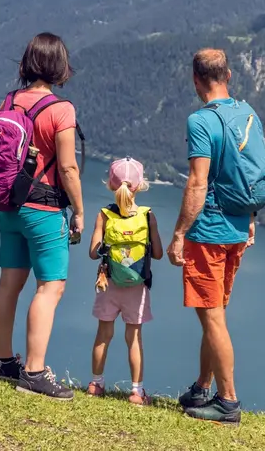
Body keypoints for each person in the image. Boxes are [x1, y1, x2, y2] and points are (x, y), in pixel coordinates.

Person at [168, 48, 265, 425]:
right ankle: (202, 386)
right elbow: (250, 169)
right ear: (228, 75)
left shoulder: (201, 121)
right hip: (238, 227)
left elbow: (198, 182)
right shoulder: (247, 112)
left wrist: (179, 233)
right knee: (215, 314)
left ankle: (228, 402)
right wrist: (251, 216)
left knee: (212, 317)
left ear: (196, 80)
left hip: (209, 231)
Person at [0, 33, 85, 400]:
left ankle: (3, 361)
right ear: (60, 67)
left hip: (10, 208)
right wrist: (79, 210)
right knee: (50, 287)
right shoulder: (61, 110)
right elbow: (68, 168)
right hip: (44, 210)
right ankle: (34, 371)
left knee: (8, 283)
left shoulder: (10, 101)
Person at [87, 157, 163, 406]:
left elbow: (93, 252)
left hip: (108, 283)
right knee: (134, 338)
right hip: (137, 287)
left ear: (111, 184)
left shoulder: (104, 215)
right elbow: (158, 254)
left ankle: (96, 384)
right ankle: (136, 392)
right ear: (139, 186)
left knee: (103, 334)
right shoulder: (147, 216)